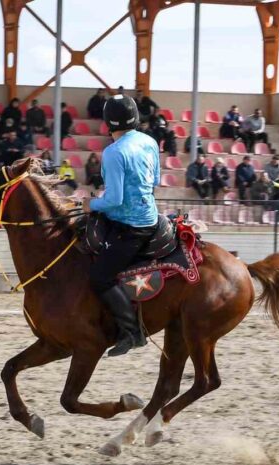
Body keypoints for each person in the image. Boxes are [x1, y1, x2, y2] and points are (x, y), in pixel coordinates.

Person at [83, 94, 160, 357]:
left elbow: (114, 199)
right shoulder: (149, 141)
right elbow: (155, 181)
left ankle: (132, 332)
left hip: (131, 227)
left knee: (100, 277)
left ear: (108, 123)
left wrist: (90, 204)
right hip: (151, 216)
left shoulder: (114, 153)